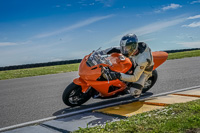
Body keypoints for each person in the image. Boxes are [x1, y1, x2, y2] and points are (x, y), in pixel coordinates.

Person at [100, 33, 154, 98]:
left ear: (133, 47)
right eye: (124, 48)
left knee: (134, 92)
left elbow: (135, 78)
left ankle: (135, 92)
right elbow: (115, 49)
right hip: (134, 61)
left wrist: (117, 75)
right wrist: (101, 52)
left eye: (127, 48)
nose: (124, 50)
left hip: (144, 71)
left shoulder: (142, 60)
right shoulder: (132, 48)